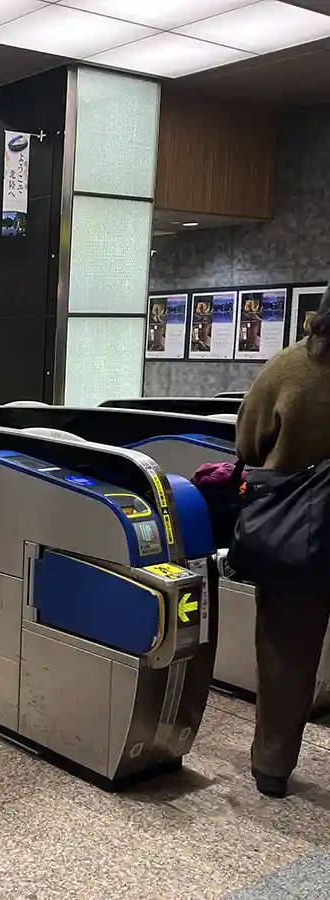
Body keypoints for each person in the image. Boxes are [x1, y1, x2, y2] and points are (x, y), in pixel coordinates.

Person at [236, 285, 330, 798]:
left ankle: (272, 766)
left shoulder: (292, 367)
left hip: (295, 532)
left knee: (285, 654)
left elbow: (249, 442)